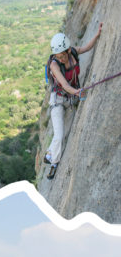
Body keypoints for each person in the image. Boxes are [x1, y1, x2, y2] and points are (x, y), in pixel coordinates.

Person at [43, 23, 102, 180]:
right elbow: (64, 84)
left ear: (68, 50)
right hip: (57, 101)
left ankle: (50, 154)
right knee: (59, 134)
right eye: (58, 56)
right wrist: (76, 91)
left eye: (62, 55)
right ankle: (53, 161)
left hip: (69, 98)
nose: (61, 58)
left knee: (61, 135)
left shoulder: (73, 53)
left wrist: (97, 35)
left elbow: (87, 48)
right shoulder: (55, 65)